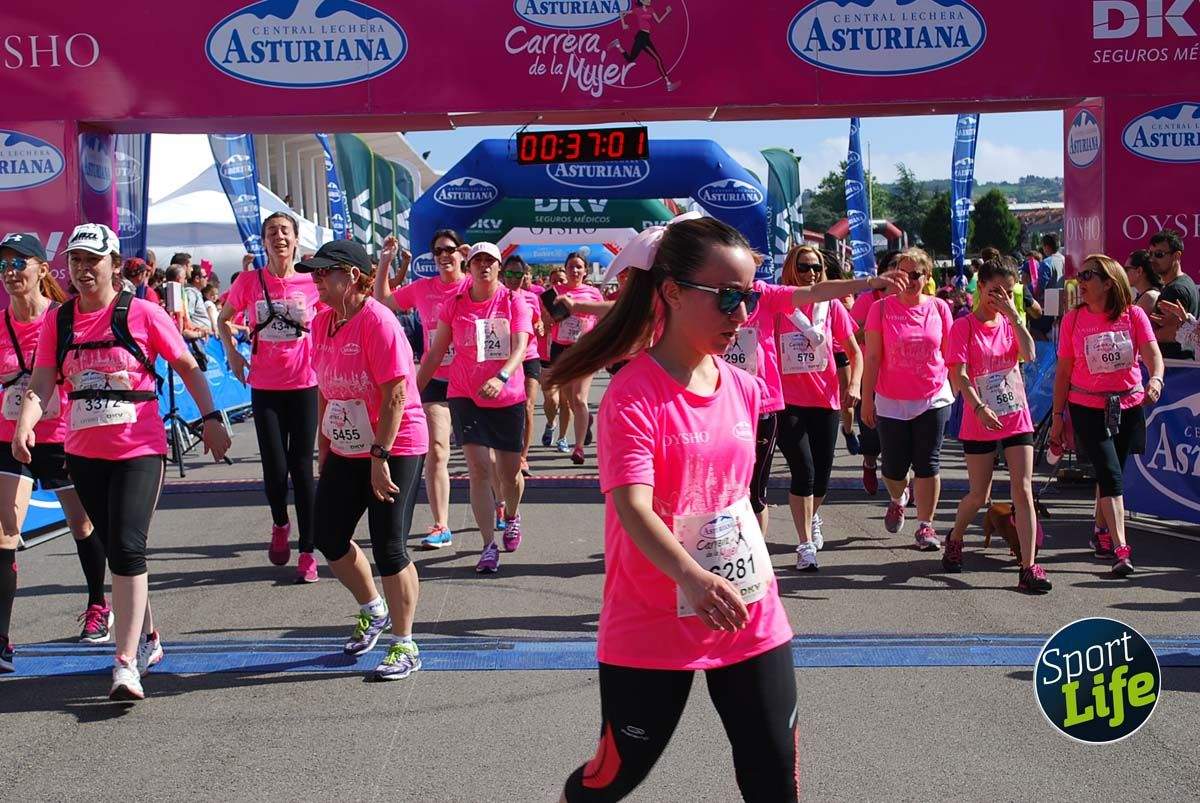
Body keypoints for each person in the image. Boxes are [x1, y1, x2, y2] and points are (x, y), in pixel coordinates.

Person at [548, 216, 798, 803]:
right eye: (729, 297)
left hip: (746, 611)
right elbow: (633, 508)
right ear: (673, 292)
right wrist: (691, 575)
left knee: (774, 777)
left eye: (750, 297)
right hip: (654, 620)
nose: (742, 315)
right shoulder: (635, 394)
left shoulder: (743, 385)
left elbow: (740, 497)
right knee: (611, 780)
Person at [15, 223, 230, 700]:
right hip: (84, 453)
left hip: (139, 449)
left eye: (93, 260)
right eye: (75, 261)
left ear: (114, 264)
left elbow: (188, 366)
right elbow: (42, 379)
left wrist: (212, 416)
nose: (83, 269)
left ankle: (125, 661)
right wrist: (26, 423)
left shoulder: (145, 314)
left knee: (130, 547)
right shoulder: (60, 320)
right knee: (116, 550)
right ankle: (150, 639)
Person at [302, 240, 428, 681]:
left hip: (395, 443)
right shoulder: (323, 323)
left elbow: (395, 394)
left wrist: (381, 456)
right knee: (328, 535)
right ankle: (373, 609)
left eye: (323, 272)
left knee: (390, 546)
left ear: (352, 276)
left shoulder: (379, 322)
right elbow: (325, 387)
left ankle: (405, 643)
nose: (316, 279)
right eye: (313, 273)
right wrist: (324, 444)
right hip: (347, 445)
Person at [0, 233, 103, 672]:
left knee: (82, 524)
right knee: (4, 533)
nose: (9, 273)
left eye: (18, 263)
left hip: (61, 435)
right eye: (3, 266)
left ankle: (99, 603)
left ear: (42, 269)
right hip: (9, 437)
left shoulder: (62, 320)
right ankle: (1, 638)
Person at [417, 243, 533, 574]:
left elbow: (521, 345)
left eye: (490, 261)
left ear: (498, 267)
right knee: (479, 468)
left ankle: (511, 514)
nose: (484, 266)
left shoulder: (513, 301)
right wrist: (411, 392)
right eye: (478, 261)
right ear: (469, 268)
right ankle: (487, 545)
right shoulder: (455, 305)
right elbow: (437, 351)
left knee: (509, 474)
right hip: (465, 394)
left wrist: (502, 375)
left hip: (506, 395)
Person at [218, 212, 321, 582]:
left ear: (295, 240)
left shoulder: (312, 282)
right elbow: (223, 318)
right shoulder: (249, 281)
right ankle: (280, 523)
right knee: (275, 470)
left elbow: (330, 321)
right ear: (263, 242)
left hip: (305, 384)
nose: (278, 237)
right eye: (271, 232)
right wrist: (232, 353)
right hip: (265, 386)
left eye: (284, 231)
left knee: (302, 470)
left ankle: (308, 551)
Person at [1051, 255, 1164, 577]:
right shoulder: (1074, 320)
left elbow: (1153, 355)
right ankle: (1121, 548)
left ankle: (1100, 530)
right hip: (1087, 407)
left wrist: (1155, 379)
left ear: (1108, 282)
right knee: (1111, 475)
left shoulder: (1134, 315)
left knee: (1111, 473)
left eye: (1087, 275)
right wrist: (1059, 415)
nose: (1080, 282)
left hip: (1128, 405)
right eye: (1079, 275)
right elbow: (1063, 373)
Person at [943, 259, 1051, 592]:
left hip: (1015, 413)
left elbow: (1030, 355)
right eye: (993, 291)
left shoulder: (1009, 322)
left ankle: (1028, 567)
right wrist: (977, 406)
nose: (998, 297)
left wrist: (1015, 316)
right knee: (979, 494)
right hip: (981, 416)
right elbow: (958, 374)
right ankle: (955, 538)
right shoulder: (964, 326)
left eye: (1005, 291)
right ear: (980, 288)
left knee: (1023, 489)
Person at [374, 231, 469, 550]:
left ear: (461, 253)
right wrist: (385, 263)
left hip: (473, 382)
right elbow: (383, 303)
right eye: (437, 251)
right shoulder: (424, 289)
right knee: (438, 451)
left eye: (450, 250)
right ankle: (441, 524)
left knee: (488, 460)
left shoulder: (473, 287)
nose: (444, 255)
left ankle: (500, 504)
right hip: (435, 381)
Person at [775, 245, 863, 571]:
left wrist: (853, 385)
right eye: (803, 266)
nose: (810, 273)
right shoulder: (780, 305)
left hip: (825, 401)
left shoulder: (831, 307)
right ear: (790, 268)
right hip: (788, 403)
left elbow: (855, 352)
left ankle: (813, 515)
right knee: (805, 471)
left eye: (815, 267)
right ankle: (804, 545)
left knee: (822, 479)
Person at [861, 247, 953, 550]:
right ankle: (898, 497)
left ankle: (926, 526)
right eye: (902, 273)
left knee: (928, 463)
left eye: (916, 274)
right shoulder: (882, 309)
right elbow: (872, 356)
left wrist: (961, 391)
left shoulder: (940, 308)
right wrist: (866, 397)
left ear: (926, 277)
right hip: (891, 399)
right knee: (894, 469)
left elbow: (951, 354)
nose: (909, 280)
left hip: (933, 396)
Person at [850, 249, 901, 496]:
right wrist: (873, 325)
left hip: (902, 376)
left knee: (902, 436)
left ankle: (902, 486)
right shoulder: (866, 300)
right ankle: (869, 463)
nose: (901, 276)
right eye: (895, 268)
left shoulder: (916, 300)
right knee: (871, 432)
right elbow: (851, 337)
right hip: (871, 373)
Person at [547, 253, 604, 464]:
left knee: (579, 398)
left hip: (584, 350)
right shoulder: (555, 292)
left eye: (579, 267)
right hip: (561, 349)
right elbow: (546, 320)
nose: (575, 270)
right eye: (571, 266)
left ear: (585, 271)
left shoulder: (593, 293)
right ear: (565, 269)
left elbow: (603, 319)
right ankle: (586, 419)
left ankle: (578, 448)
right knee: (570, 400)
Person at [502, 254, 544, 476]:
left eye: (519, 273)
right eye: (510, 273)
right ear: (502, 274)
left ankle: (523, 457)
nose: (514, 278)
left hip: (528, 356)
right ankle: (503, 451)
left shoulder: (531, 298)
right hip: (503, 360)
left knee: (528, 406)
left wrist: (539, 328)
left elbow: (537, 321)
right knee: (507, 408)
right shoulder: (496, 297)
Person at [1147, 228, 1199, 359]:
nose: (1152, 259)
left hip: (1174, 368)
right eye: (1150, 254)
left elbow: (1171, 333)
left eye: (1159, 254)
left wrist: (1145, 334)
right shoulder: (1186, 281)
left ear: (1176, 256)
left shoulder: (1175, 290)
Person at [608, 0, 679, 92]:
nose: (649, 0)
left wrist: (667, 12)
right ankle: (668, 83)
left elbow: (658, 21)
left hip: (646, 37)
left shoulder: (651, 9)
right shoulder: (638, 10)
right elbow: (621, 12)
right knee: (658, 59)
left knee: (630, 59)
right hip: (641, 37)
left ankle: (617, 44)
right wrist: (623, 24)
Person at [539, 266, 570, 449]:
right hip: (546, 355)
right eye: (555, 281)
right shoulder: (543, 300)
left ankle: (563, 438)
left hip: (567, 355)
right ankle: (551, 424)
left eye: (561, 280)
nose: (558, 284)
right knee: (552, 399)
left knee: (566, 401)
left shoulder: (573, 301)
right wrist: (543, 323)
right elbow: (536, 321)